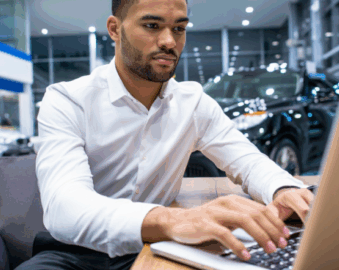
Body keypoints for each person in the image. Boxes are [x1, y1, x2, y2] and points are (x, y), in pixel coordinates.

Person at [20, 0, 315, 269]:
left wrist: (282, 189)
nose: (169, 41)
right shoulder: (67, 100)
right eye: (152, 26)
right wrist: (172, 219)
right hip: (75, 252)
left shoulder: (193, 104)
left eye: (179, 29)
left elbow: (249, 161)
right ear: (115, 29)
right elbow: (65, 207)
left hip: (157, 247)